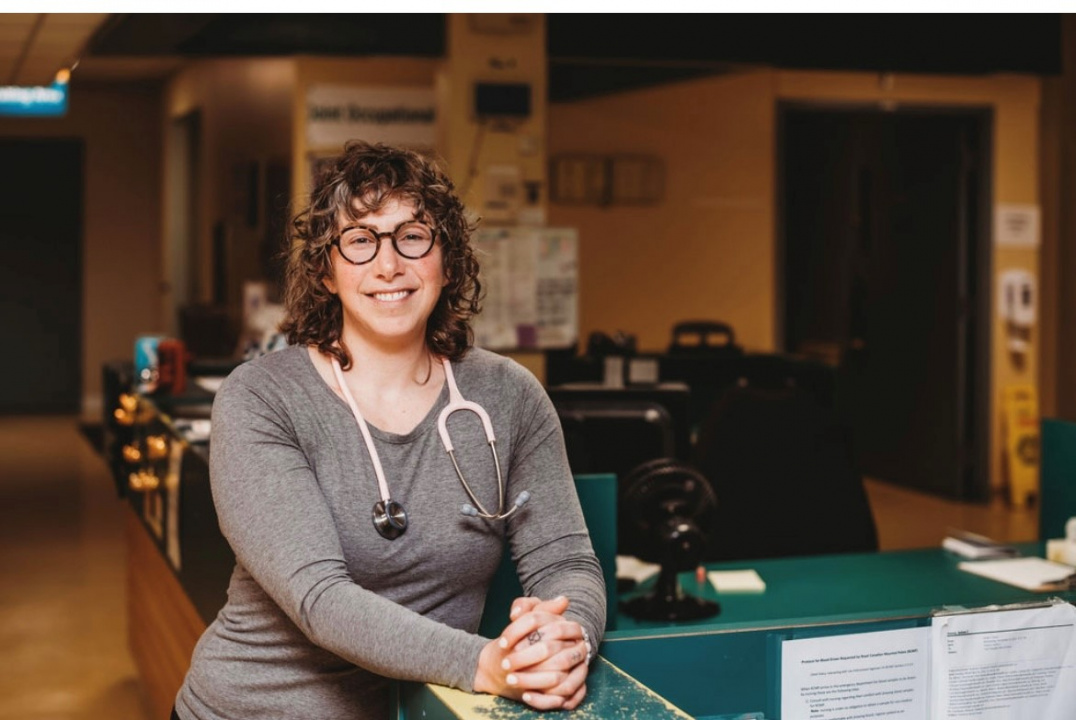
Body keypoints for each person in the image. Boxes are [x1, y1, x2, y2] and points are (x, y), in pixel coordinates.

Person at [172, 141, 606, 720]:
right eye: (359, 241)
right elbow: (320, 599)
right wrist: (487, 665)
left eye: (412, 236)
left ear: (446, 260)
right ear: (326, 271)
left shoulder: (509, 396)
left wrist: (564, 642)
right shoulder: (261, 398)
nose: (388, 265)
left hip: (421, 710)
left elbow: (567, 562)